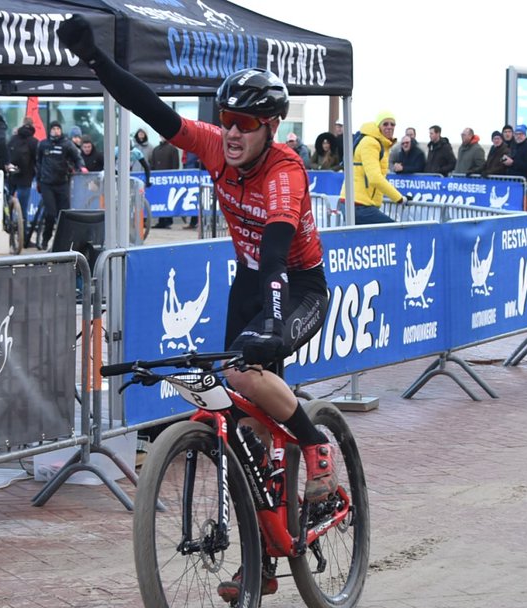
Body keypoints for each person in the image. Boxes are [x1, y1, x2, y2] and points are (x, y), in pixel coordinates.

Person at [57, 15, 339, 516]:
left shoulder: (284, 172)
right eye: (226, 118)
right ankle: (268, 538)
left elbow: (276, 254)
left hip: (297, 286)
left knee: (245, 375)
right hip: (249, 281)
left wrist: (274, 324)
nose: (231, 131)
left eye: (245, 123)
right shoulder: (214, 145)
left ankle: (316, 446)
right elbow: (153, 109)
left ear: (271, 128)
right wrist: (96, 60)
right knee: (242, 421)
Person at [341, 110, 405, 225]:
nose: (389, 127)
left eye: (392, 124)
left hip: (359, 203)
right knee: (395, 230)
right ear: (378, 126)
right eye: (385, 124)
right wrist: (399, 198)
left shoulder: (380, 144)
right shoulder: (371, 143)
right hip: (358, 204)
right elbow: (375, 178)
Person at [35, 121, 86, 249]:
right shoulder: (43, 144)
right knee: (50, 214)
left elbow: (77, 157)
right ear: (50, 130)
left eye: (58, 128)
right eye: (53, 129)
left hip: (62, 183)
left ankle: (65, 242)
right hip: (47, 184)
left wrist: (82, 167)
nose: (56, 131)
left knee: (64, 215)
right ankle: (45, 239)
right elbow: (38, 163)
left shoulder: (67, 144)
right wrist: (39, 180)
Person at [6, 121, 39, 243]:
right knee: (23, 209)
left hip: (12, 176)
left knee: (9, 205)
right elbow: (37, 160)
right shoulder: (34, 141)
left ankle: (8, 230)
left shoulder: (13, 139)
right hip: (25, 178)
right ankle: (23, 238)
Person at [150, 135, 182, 228]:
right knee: (160, 199)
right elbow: (153, 165)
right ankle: (161, 221)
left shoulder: (173, 149)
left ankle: (168, 220)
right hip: (158, 180)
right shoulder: (156, 149)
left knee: (168, 198)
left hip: (169, 180)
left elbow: (175, 165)